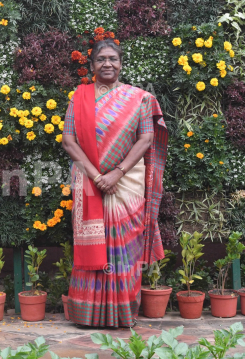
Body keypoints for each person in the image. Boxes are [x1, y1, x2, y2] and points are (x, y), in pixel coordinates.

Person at [61, 38, 168, 327]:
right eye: (101, 59)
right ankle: (88, 316)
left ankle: (121, 313)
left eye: (113, 59)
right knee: (93, 245)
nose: (107, 63)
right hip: (89, 182)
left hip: (127, 185)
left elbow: (146, 139)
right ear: (92, 64)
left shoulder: (141, 99)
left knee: (125, 247)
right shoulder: (79, 97)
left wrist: (116, 173)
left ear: (120, 63)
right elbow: (68, 141)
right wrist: (98, 177)